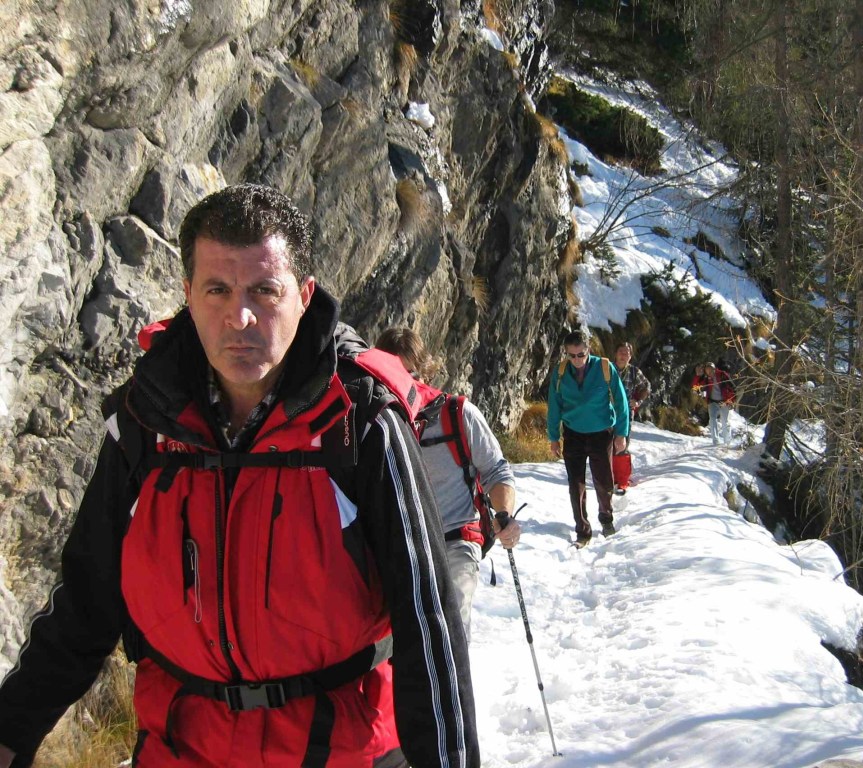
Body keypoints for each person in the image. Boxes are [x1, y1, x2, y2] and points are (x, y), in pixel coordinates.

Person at [0, 185, 479, 768]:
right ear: (188, 295)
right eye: (217, 290)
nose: (240, 317)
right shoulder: (144, 421)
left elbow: (427, 620)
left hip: (340, 749)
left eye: (264, 290)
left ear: (304, 296)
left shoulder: (360, 422)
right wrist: (12, 731)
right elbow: (85, 602)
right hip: (181, 747)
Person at [375, 327, 521, 642]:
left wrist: (504, 514)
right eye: (391, 375)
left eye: (410, 374)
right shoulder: (374, 421)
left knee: (449, 631)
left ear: (424, 371)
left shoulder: (458, 414)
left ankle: (454, 674)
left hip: (456, 542)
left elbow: (496, 470)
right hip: (399, 547)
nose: (402, 384)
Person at [546, 330, 630, 547]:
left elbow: (621, 402)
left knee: (604, 481)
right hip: (573, 433)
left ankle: (606, 517)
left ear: (589, 350)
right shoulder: (561, 372)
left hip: (601, 433)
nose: (576, 360)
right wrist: (553, 437)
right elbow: (554, 405)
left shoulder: (605, 368)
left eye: (581, 355)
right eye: (571, 355)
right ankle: (582, 530)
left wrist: (621, 433)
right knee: (576, 484)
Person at [611, 342, 651, 492]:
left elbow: (646, 386)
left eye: (627, 352)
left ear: (630, 356)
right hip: (606, 412)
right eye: (621, 351)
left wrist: (638, 401)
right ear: (615, 354)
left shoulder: (634, 372)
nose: (623, 355)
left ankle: (621, 479)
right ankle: (609, 476)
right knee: (606, 444)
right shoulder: (607, 369)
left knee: (622, 443)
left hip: (626, 412)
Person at [691, 361, 736, 445]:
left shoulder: (722, 375)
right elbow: (695, 388)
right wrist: (697, 376)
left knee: (724, 421)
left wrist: (731, 400)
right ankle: (715, 441)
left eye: (710, 369)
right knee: (712, 419)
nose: (709, 372)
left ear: (714, 369)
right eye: (707, 370)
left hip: (724, 402)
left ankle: (727, 442)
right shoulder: (706, 379)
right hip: (712, 402)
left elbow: (732, 388)